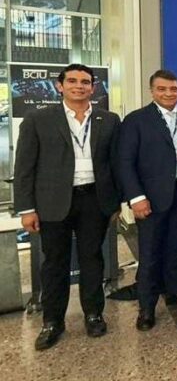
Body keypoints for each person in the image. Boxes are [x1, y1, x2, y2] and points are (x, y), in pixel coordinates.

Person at [15, 64, 122, 350]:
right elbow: (24, 167)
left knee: (92, 259)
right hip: (53, 201)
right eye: (72, 81)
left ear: (93, 88)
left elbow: (116, 164)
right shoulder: (38, 119)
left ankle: (93, 314)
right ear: (59, 86)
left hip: (94, 199)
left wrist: (116, 202)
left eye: (85, 82)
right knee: (54, 263)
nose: (79, 86)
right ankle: (52, 322)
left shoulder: (108, 119)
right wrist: (26, 209)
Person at [117, 69, 177, 332]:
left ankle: (176, 291)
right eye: (162, 89)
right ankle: (147, 307)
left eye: (173, 89)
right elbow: (125, 162)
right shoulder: (136, 120)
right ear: (152, 91)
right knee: (150, 253)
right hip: (151, 198)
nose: (168, 93)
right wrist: (136, 197)